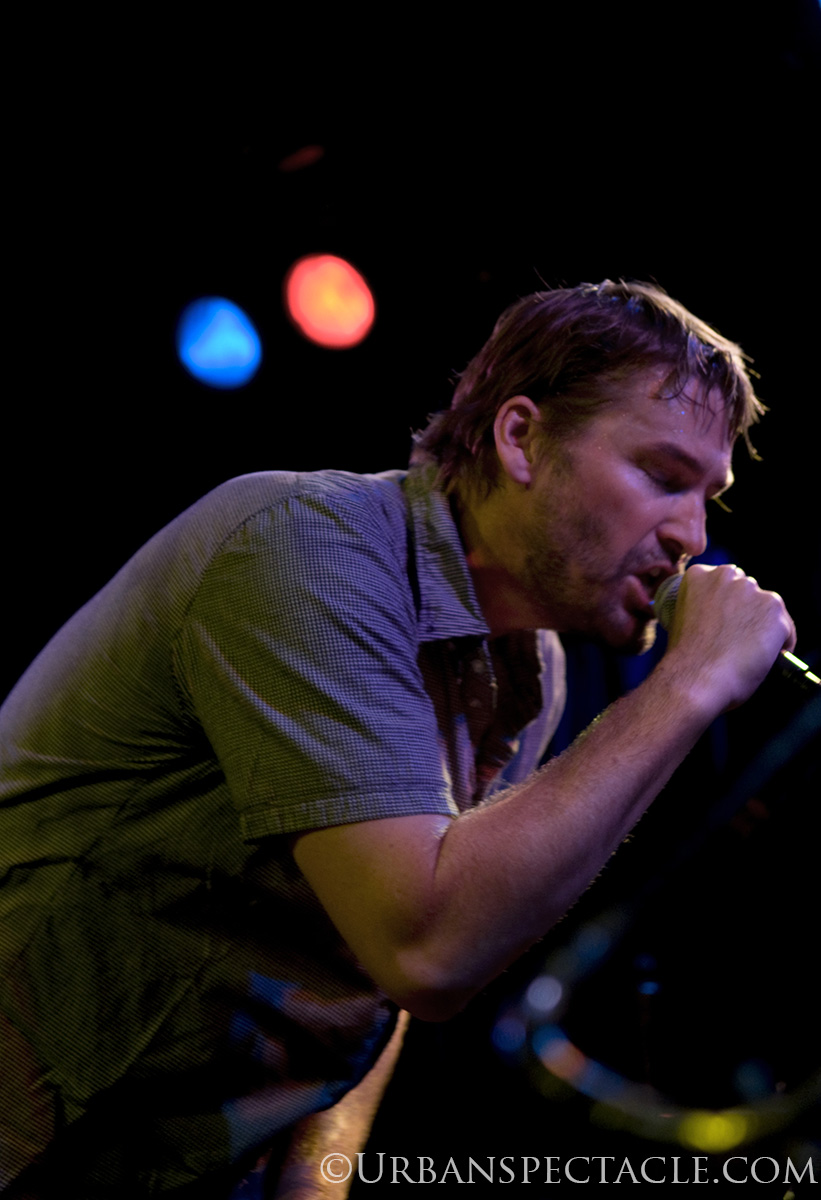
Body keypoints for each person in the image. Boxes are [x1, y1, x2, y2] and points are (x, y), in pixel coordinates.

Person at [0, 280, 796, 1197]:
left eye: (707, 497)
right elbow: (428, 946)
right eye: (660, 476)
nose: (690, 535)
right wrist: (689, 682)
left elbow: (376, 984)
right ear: (521, 438)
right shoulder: (307, 550)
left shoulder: (529, 670)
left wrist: (318, 1183)